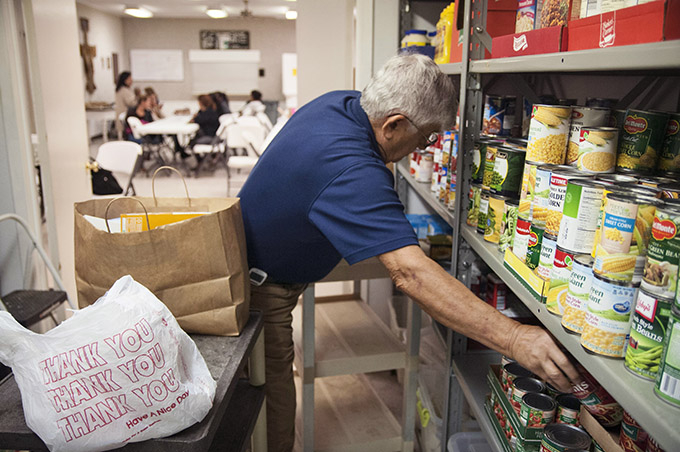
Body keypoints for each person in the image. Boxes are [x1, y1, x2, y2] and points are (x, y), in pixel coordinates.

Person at [237, 53, 582, 452]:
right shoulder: (353, 169)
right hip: (260, 286)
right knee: (273, 400)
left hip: (266, 258)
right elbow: (410, 275)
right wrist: (516, 338)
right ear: (395, 124)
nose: (424, 148)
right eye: (429, 136)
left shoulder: (342, 104)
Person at [114, 71, 136, 140]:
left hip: (121, 113)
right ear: (125, 80)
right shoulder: (124, 90)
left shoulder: (120, 89)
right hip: (124, 114)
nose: (132, 80)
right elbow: (131, 103)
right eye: (130, 78)